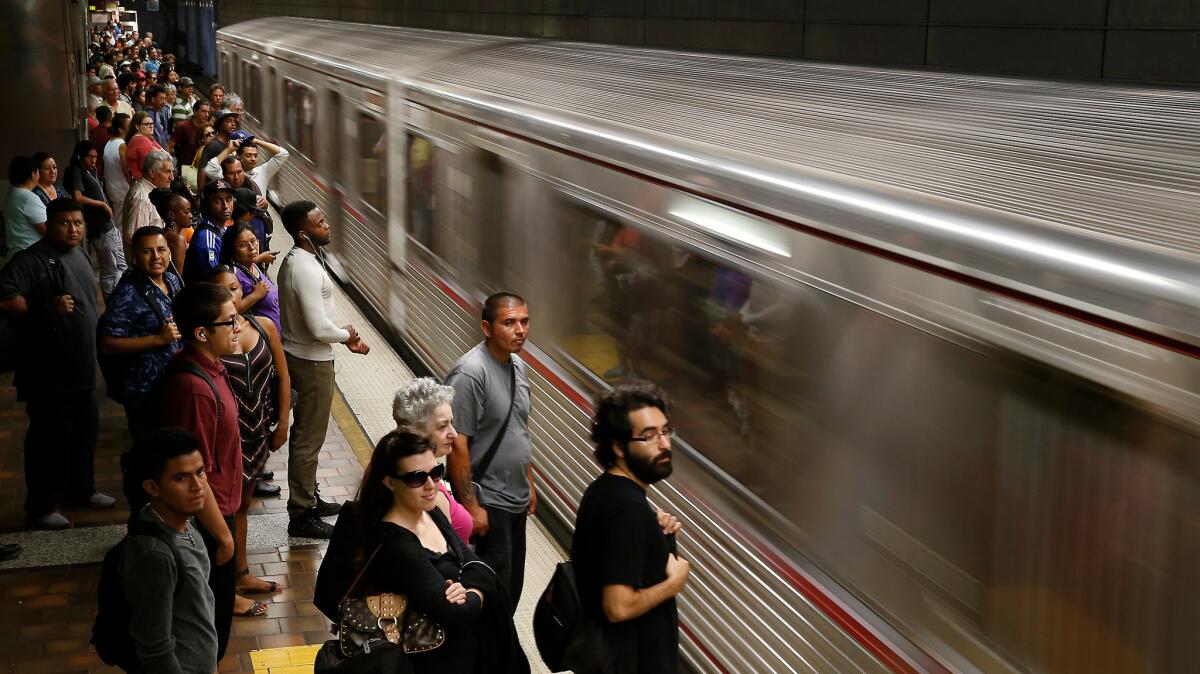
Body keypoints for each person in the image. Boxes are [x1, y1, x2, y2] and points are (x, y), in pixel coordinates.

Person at [314, 430, 530, 674]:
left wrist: (468, 586)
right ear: (389, 482)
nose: (431, 485)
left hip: (467, 655)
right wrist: (478, 589)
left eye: (436, 473)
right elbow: (458, 612)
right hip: (428, 662)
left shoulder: (430, 512)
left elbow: (475, 563)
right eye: (416, 478)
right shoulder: (397, 545)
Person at [0, 199, 115, 530]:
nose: (73, 229)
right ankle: (42, 504)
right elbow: (5, 295)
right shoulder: (31, 260)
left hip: (81, 367)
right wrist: (43, 308)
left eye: (77, 223)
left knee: (85, 433)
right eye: (65, 223)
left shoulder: (78, 253)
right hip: (48, 372)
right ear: (49, 225)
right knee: (48, 441)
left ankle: (81, 490)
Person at [570, 381, 690, 674]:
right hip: (632, 661)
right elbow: (618, 607)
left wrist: (659, 535)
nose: (664, 444)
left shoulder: (605, 489)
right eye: (648, 437)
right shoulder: (629, 511)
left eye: (665, 431)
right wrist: (673, 584)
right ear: (618, 447)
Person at [157, 282, 241, 656]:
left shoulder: (213, 369)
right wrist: (224, 538)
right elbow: (195, 477)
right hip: (206, 525)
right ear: (202, 332)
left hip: (219, 514)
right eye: (231, 321)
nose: (239, 327)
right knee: (208, 632)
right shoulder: (194, 389)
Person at [277, 200, 369, 538]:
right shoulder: (305, 268)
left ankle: (310, 498)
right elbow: (318, 329)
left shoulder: (297, 260)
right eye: (319, 223)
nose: (326, 225)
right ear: (303, 233)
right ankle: (301, 513)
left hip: (305, 356)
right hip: (310, 361)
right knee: (308, 438)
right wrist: (348, 335)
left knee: (309, 435)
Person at [208, 266, 291, 614]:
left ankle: (240, 573)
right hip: (228, 440)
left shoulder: (264, 326)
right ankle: (224, 591)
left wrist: (283, 423)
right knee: (223, 510)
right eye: (222, 293)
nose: (232, 297)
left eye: (235, 289)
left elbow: (283, 376)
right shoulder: (213, 339)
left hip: (259, 435)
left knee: (242, 505)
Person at [445, 292, 534, 609]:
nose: (520, 330)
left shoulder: (518, 367)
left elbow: (519, 428)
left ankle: (499, 653)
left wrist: (529, 483)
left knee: (511, 589)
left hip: (515, 500)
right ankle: (490, 657)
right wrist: (471, 506)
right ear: (486, 327)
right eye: (509, 323)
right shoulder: (470, 373)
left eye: (524, 322)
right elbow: (456, 445)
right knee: (493, 594)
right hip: (489, 501)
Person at [120, 427, 219, 674]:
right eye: (181, 478)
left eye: (200, 472)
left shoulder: (183, 518)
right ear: (152, 487)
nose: (198, 486)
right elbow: (154, 649)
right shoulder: (155, 556)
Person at [98, 225, 183, 439]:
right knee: (149, 445)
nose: (156, 257)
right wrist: (157, 339)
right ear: (135, 255)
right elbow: (108, 343)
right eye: (147, 251)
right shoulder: (128, 293)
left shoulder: (172, 281)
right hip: (144, 389)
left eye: (161, 250)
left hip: (172, 383)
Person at [392, 378, 472, 544]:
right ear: (415, 431)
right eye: (443, 426)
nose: (454, 434)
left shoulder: (390, 462)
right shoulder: (426, 493)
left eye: (452, 423)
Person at [63, 140, 125, 296]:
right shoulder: (76, 171)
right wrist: (102, 205)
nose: (93, 161)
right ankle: (111, 303)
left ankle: (122, 300)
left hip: (108, 225)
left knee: (121, 265)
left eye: (95, 157)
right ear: (79, 156)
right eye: (89, 157)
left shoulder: (90, 171)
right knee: (110, 270)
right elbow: (78, 197)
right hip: (100, 226)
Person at [220, 221, 280, 333]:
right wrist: (254, 296)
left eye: (253, 241)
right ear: (232, 250)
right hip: (258, 340)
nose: (252, 248)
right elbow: (226, 313)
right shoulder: (231, 275)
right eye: (242, 245)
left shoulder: (251, 264)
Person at [182, 179, 235, 285]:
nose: (225, 206)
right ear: (208, 204)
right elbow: (216, 281)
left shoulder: (222, 228)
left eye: (229, 200)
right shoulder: (207, 237)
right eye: (218, 201)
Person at [120, 149, 172, 244]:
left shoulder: (150, 193)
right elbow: (134, 238)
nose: (171, 177)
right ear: (152, 172)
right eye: (167, 172)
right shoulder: (141, 198)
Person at [2, 156, 47, 259]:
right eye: (38, 172)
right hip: (29, 255)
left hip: (17, 254)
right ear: (33, 175)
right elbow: (47, 231)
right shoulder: (28, 198)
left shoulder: (12, 192)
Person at [150, 188, 191, 276]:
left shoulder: (165, 232)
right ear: (172, 215)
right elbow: (177, 276)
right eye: (187, 212)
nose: (191, 216)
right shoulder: (177, 239)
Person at [197, 110, 238, 191]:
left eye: (234, 121)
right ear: (220, 125)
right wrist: (201, 193)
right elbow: (202, 169)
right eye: (229, 121)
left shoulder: (230, 144)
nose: (233, 124)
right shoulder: (213, 145)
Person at [102, 113, 131, 213]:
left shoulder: (109, 142)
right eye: (129, 125)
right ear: (120, 129)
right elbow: (126, 169)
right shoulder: (121, 145)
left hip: (112, 188)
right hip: (122, 190)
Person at [125, 112, 163, 183]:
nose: (151, 126)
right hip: (145, 184)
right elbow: (152, 168)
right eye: (147, 124)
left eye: (152, 124)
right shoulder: (141, 140)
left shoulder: (147, 138)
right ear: (137, 126)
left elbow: (166, 155)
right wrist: (159, 153)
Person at [171, 98, 209, 167]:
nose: (206, 115)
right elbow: (170, 146)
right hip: (186, 167)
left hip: (203, 166)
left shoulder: (208, 128)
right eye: (203, 111)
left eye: (208, 112)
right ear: (195, 111)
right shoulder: (183, 126)